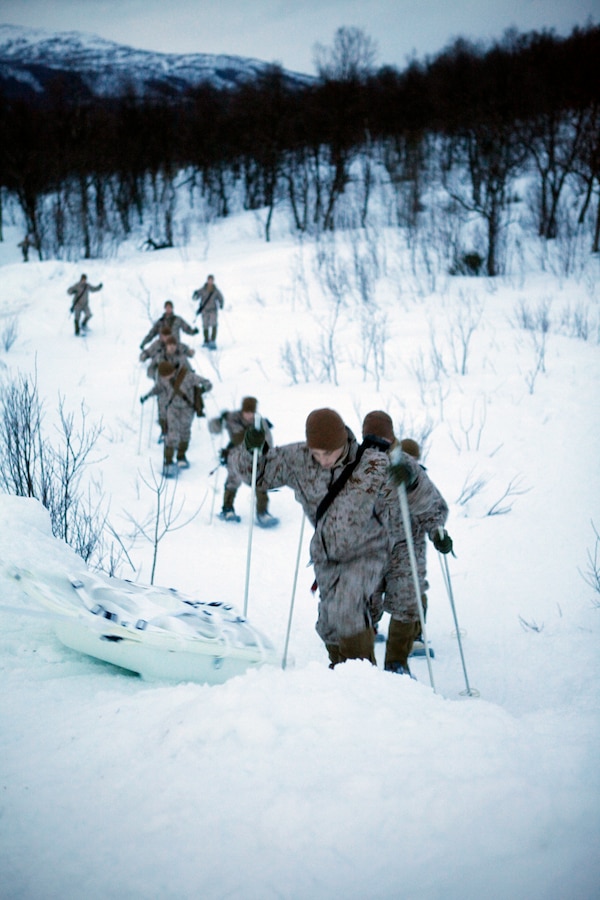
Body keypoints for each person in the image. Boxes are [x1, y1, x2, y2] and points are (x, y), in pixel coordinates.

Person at [230, 407, 421, 668]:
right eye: (317, 454)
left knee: (348, 607)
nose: (324, 460)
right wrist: (250, 450)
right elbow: (256, 475)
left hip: (369, 550)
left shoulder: (370, 462)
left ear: (343, 441)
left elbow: (410, 483)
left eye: (329, 452)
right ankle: (342, 673)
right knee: (329, 625)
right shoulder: (297, 458)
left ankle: (362, 679)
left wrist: (409, 479)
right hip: (327, 554)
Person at [361, 411, 452, 676]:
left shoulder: (407, 465)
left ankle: (397, 663)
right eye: (370, 440)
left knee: (407, 604)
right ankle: (361, 666)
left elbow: (434, 507)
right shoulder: (355, 466)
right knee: (364, 607)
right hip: (369, 549)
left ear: (391, 438)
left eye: (381, 441)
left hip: (406, 548)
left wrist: (411, 486)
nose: (376, 447)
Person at [209, 397, 278, 528]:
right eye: (246, 412)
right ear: (242, 410)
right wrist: (219, 420)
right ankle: (227, 509)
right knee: (233, 481)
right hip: (235, 456)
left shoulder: (260, 422)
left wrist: (267, 454)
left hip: (254, 458)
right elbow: (215, 429)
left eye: (251, 412)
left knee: (261, 482)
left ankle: (262, 513)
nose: (249, 415)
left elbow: (268, 441)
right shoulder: (232, 418)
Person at [141, 361, 212, 476]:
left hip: (187, 409)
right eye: (163, 376)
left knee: (185, 432)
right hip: (172, 408)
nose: (166, 378)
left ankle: (181, 456)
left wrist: (200, 391)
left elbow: (207, 383)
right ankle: (168, 461)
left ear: (172, 371)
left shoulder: (188, 376)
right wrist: (146, 396)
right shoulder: (163, 378)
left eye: (167, 375)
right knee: (172, 434)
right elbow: (158, 388)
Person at [192, 274, 224, 350]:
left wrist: (221, 304)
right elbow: (195, 297)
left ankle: (212, 341)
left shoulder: (216, 290)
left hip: (213, 310)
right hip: (204, 310)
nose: (210, 282)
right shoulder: (203, 289)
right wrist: (195, 294)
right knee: (205, 325)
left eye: (211, 280)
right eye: (209, 280)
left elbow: (220, 298)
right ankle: (206, 340)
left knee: (214, 324)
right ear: (207, 280)